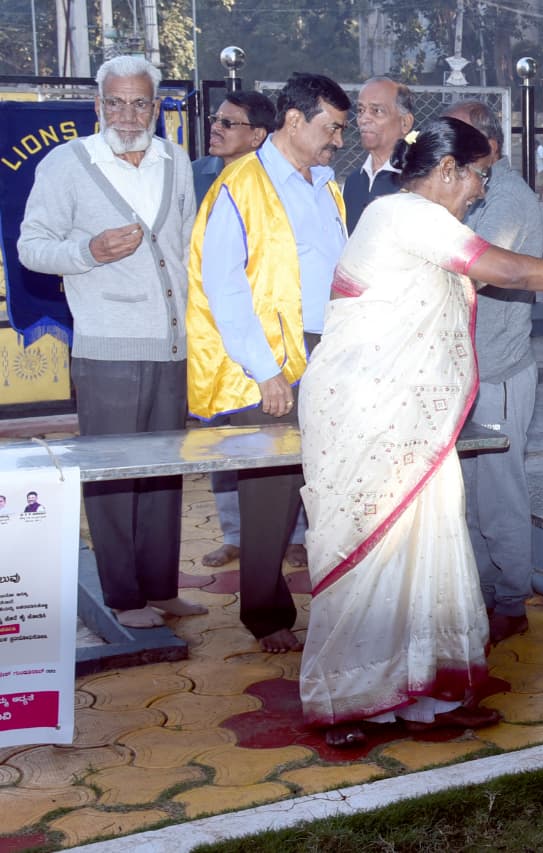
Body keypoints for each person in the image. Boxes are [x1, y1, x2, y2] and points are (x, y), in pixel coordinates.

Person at [297, 118, 543, 747]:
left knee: (429, 556)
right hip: (370, 419)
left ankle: (424, 698)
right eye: (478, 176)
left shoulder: (418, 221)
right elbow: (506, 270)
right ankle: (348, 703)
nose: (480, 191)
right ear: (448, 170)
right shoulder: (405, 215)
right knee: (369, 559)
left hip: (412, 424)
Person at [18, 55, 206, 630]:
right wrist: (88, 252)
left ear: (157, 106)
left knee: (162, 474)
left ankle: (161, 588)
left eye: (140, 102)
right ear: (98, 105)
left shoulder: (175, 160)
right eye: (116, 102)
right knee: (113, 480)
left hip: (171, 347)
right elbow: (31, 247)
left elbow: (184, 248)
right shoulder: (66, 163)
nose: (128, 114)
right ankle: (124, 597)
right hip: (107, 351)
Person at [186, 72, 351, 653]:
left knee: (323, 483)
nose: (338, 140)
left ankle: (334, 600)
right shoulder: (240, 184)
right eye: (332, 128)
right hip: (271, 359)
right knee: (270, 494)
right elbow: (224, 286)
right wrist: (265, 370)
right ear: (295, 120)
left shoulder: (324, 184)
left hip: (327, 351)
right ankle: (264, 615)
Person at [188, 91, 309, 571]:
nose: (215, 128)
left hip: (268, 339)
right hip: (214, 332)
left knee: (279, 448)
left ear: (259, 135)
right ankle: (234, 534)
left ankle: (290, 535)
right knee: (226, 439)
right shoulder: (198, 176)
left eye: (229, 123)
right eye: (216, 120)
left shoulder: (279, 184)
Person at [444, 100, 543, 645]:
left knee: (499, 497)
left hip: (498, 372)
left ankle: (510, 602)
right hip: (463, 372)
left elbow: (474, 268)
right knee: (466, 494)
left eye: (460, 140)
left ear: (490, 146)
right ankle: (480, 594)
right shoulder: (464, 187)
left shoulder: (509, 198)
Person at [343, 76, 414, 230]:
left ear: (405, 123)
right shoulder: (352, 182)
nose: (364, 119)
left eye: (377, 111)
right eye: (360, 110)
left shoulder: (418, 181)